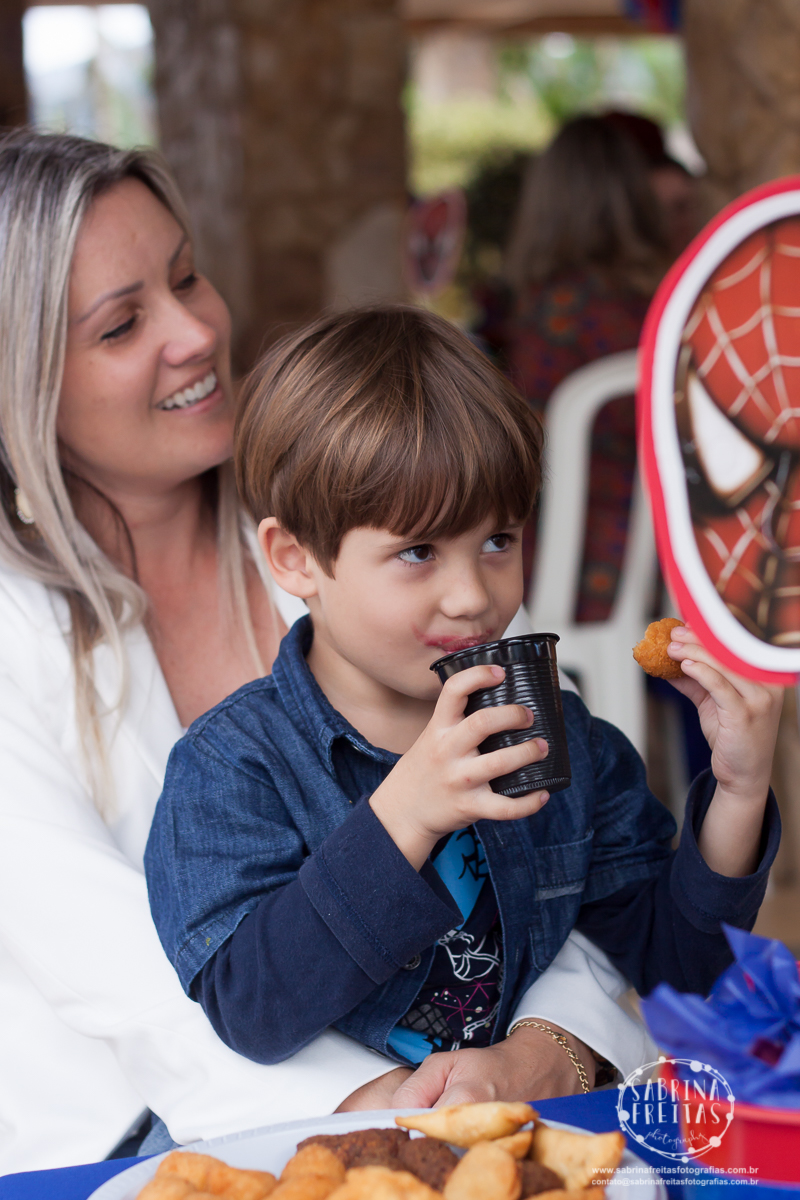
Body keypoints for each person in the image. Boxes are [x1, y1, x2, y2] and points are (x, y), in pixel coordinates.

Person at [0, 131, 649, 1175]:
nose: (196, 332)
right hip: (123, 1151)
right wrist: (397, 1112)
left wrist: (545, 1050)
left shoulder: (343, 516)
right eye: (123, 324)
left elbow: (550, 848)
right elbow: (139, 989)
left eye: (186, 278)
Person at [145, 307, 782, 1111]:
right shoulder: (233, 768)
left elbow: (679, 976)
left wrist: (737, 792)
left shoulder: (567, 743)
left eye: (498, 540)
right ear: (295, 557)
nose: (474, 595)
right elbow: (252, 1010)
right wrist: (405, 814)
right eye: (417, 552)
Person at [503, 115, 671, 618]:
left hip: (573, 557)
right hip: (671, 550)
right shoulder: (666, 301)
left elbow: (524, 449)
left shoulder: (554, 309)